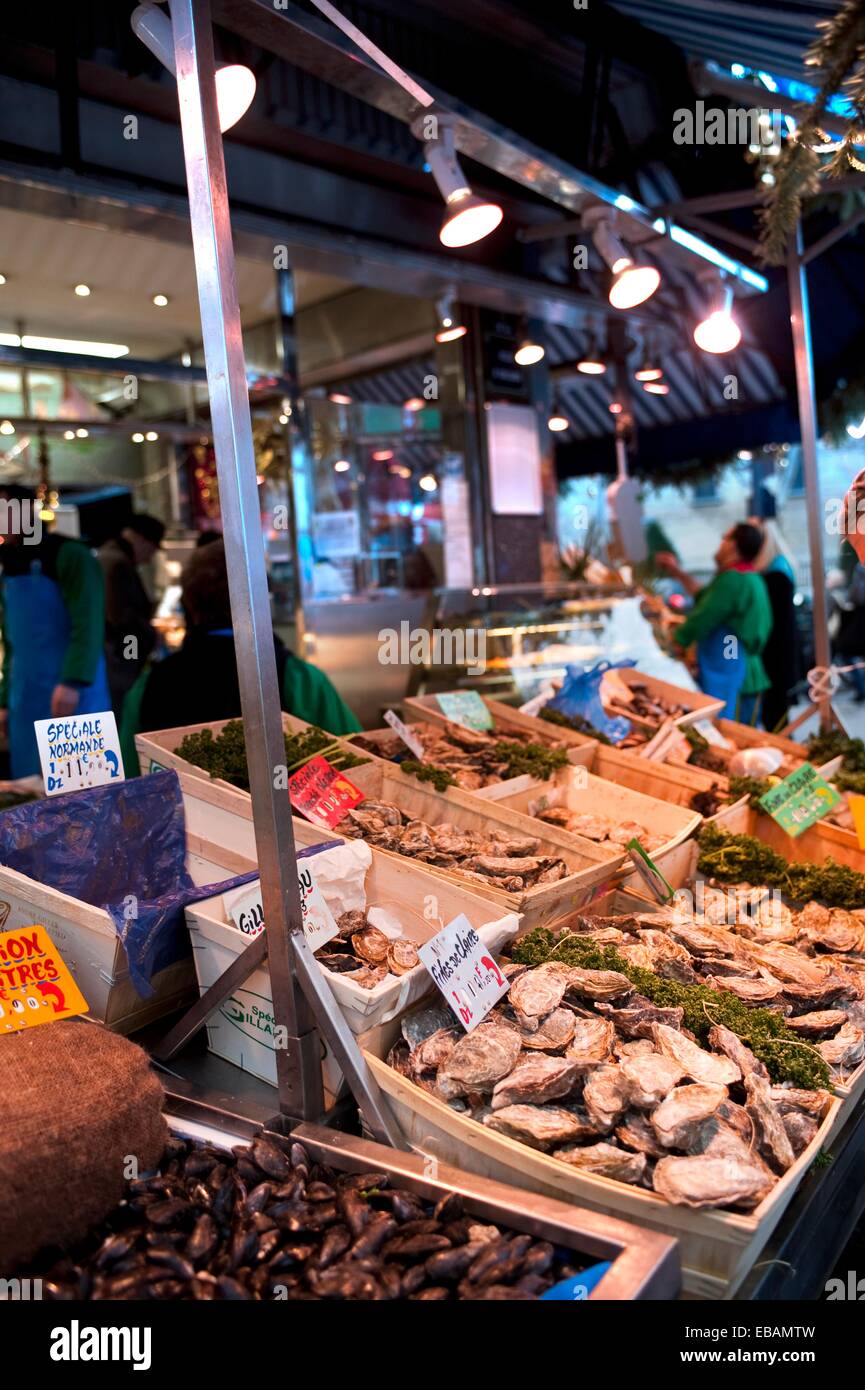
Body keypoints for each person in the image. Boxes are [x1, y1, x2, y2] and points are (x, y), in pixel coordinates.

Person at [120, 538, 361, 773]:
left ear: (190, 606)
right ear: (262, 604)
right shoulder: (299, 678)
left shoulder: (149, 686)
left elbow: (126, 779)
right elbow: (358, 758)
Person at [0, 485, 109, 777]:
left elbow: (90, 623)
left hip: (75, 692)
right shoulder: (7, 567)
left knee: (84, 787)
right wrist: (3, 701)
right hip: (25, 695)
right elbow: (11, 641)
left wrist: (73, 681)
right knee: (30, 794)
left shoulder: (71, 554)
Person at [656, 521, 772, 723]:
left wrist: (675, 642)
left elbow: (704, 616)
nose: (720, 543)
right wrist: (676, 571)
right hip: (746, 672)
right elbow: (704, 596)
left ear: (733, 546)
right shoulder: (750, 578)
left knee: (727, 731)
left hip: (732, 673)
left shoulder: (733, 580)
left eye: (724, 538)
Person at [98, 513, 165, 716]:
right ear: (142, 540)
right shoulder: (117, 562)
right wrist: (151, 636)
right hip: (122, 655)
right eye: (153, 548)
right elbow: (120, 618)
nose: (151, 556)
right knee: (125, 710)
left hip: (116, 654)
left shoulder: (109, 555)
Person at [751, 518, 802, 731]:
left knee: (776, 717)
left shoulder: (775, 575)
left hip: (776, 656)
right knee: (777, 713)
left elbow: (769, 623)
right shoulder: (780, 568)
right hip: (781, 654)